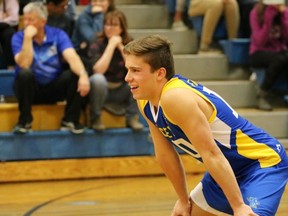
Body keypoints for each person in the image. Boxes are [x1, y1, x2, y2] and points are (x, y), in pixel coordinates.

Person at [123, 34, 288, 215]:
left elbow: (211, 153)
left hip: (260, 163)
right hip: (225, 170)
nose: (127, 77)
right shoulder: (145, 100)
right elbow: (165, 154)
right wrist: (183, 199)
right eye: (127, 70)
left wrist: (238, 206)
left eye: (135, 70)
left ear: (160, 73)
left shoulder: (175, 97)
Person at [11, 2, 90, 134]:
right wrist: (28, 38)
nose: (26, 23)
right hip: (30, 89)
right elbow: (24, 64)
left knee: (74, 74)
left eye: (30, 19)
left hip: (53, 87)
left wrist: (83, 75)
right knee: (24, 74)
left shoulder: (58, 34)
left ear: (43, 22)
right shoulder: (18, 37)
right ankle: (24, 121)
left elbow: (72, 56)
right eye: (25, 19)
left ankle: (70, 120)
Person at [86, 10, 144, 131]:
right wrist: (111, 46)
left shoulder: (129, 42)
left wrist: (120, 46)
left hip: (121, 89)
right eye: (107, 24)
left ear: (122, 28)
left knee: (138, 78)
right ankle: (96, 117)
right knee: (98, 79)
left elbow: (135, 68)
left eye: (114, 25)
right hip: (101, 91)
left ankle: (132, 117)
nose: (109, 28)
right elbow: (98, 70)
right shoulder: (97, 42)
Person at [249, 0, 288, 111]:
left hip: (280, 51)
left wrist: (284, 15)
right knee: (280, 59)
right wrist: (268, 20)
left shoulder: (284, 13)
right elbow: (260, 41)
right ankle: (262, 94)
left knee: (283, 57)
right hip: (258, 53)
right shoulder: (255, 13)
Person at [0, 0, 19, 69]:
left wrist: (2, 20)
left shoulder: (10, 1)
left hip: (4, 27)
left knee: (9, 34)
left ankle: (11, 66)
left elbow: (14, 19)